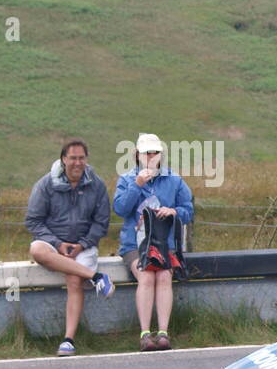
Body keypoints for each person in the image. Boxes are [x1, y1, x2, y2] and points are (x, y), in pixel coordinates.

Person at [25, 139, 115, 356]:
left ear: (86, 159)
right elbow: (34, 221)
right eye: (73, 158)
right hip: (53, 242)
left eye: (81, 158)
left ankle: (68, 339)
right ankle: (95, 277)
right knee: (36, 249)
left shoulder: (97, 185)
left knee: (74, 279)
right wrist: (57, 243)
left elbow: (101, 222)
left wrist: (82, 244)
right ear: (63, 159)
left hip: (84, 244)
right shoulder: (46, 184)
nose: (77, 162)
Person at [114, 133, 195, 350]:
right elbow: (120, 209)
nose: (150, 156)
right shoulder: (126, 179)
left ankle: (163, 333)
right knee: (147, 275)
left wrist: (173, 211)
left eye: (154, 152)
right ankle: (144, 334)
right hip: (135, 245)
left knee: (164, 276)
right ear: (137, 155)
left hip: (164, 243)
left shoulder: (174, 180)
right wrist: (137, 185)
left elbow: (188, 210)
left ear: (161, 155)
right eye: (146, 153)